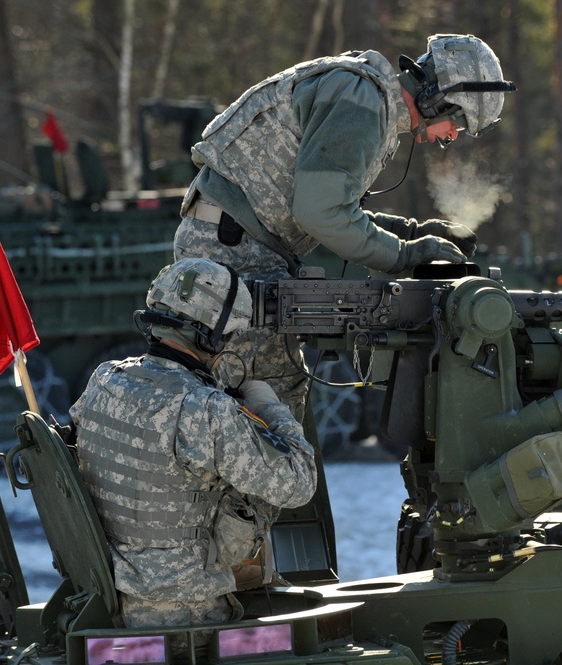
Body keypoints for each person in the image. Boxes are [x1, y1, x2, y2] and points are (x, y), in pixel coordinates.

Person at [173, 33, 515, 418]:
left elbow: (328, 207)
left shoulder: (367, 97)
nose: (452, 136)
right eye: (458, 122)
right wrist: (406, 253)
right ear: (437, 98)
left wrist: (411, 231)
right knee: (263, 408)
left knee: (261, 399)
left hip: (236, 246)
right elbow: (323, 213)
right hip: (234, 253)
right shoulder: (362, 102)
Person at [69, 258, 317, 647]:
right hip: (187, 621)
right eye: (230, 335)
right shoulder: (203, 410)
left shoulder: (104, 380)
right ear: (211, 337)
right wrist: (269, 407)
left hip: (111, 604)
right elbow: (299, 482)